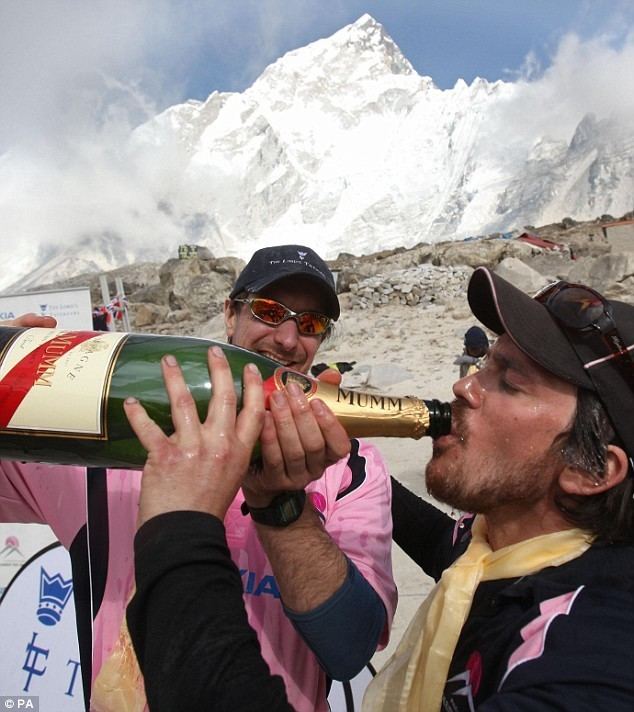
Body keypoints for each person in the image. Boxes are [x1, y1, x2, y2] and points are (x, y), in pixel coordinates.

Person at [126, 266, 634, 711]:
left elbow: (348, 646)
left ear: (590, 471)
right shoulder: (498, 551)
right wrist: (303, 475)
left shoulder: (590, 650)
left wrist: (180, 527)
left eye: (509, 382)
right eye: (484, 365)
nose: (462, 386)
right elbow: (437, 538)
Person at [0, 245, 397, 712]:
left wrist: (283, 506)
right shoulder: (119, 436)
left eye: (310, 324)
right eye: (270, 312)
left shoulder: (350, 465)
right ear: (230, 314)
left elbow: (348, 649)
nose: (289, 339)